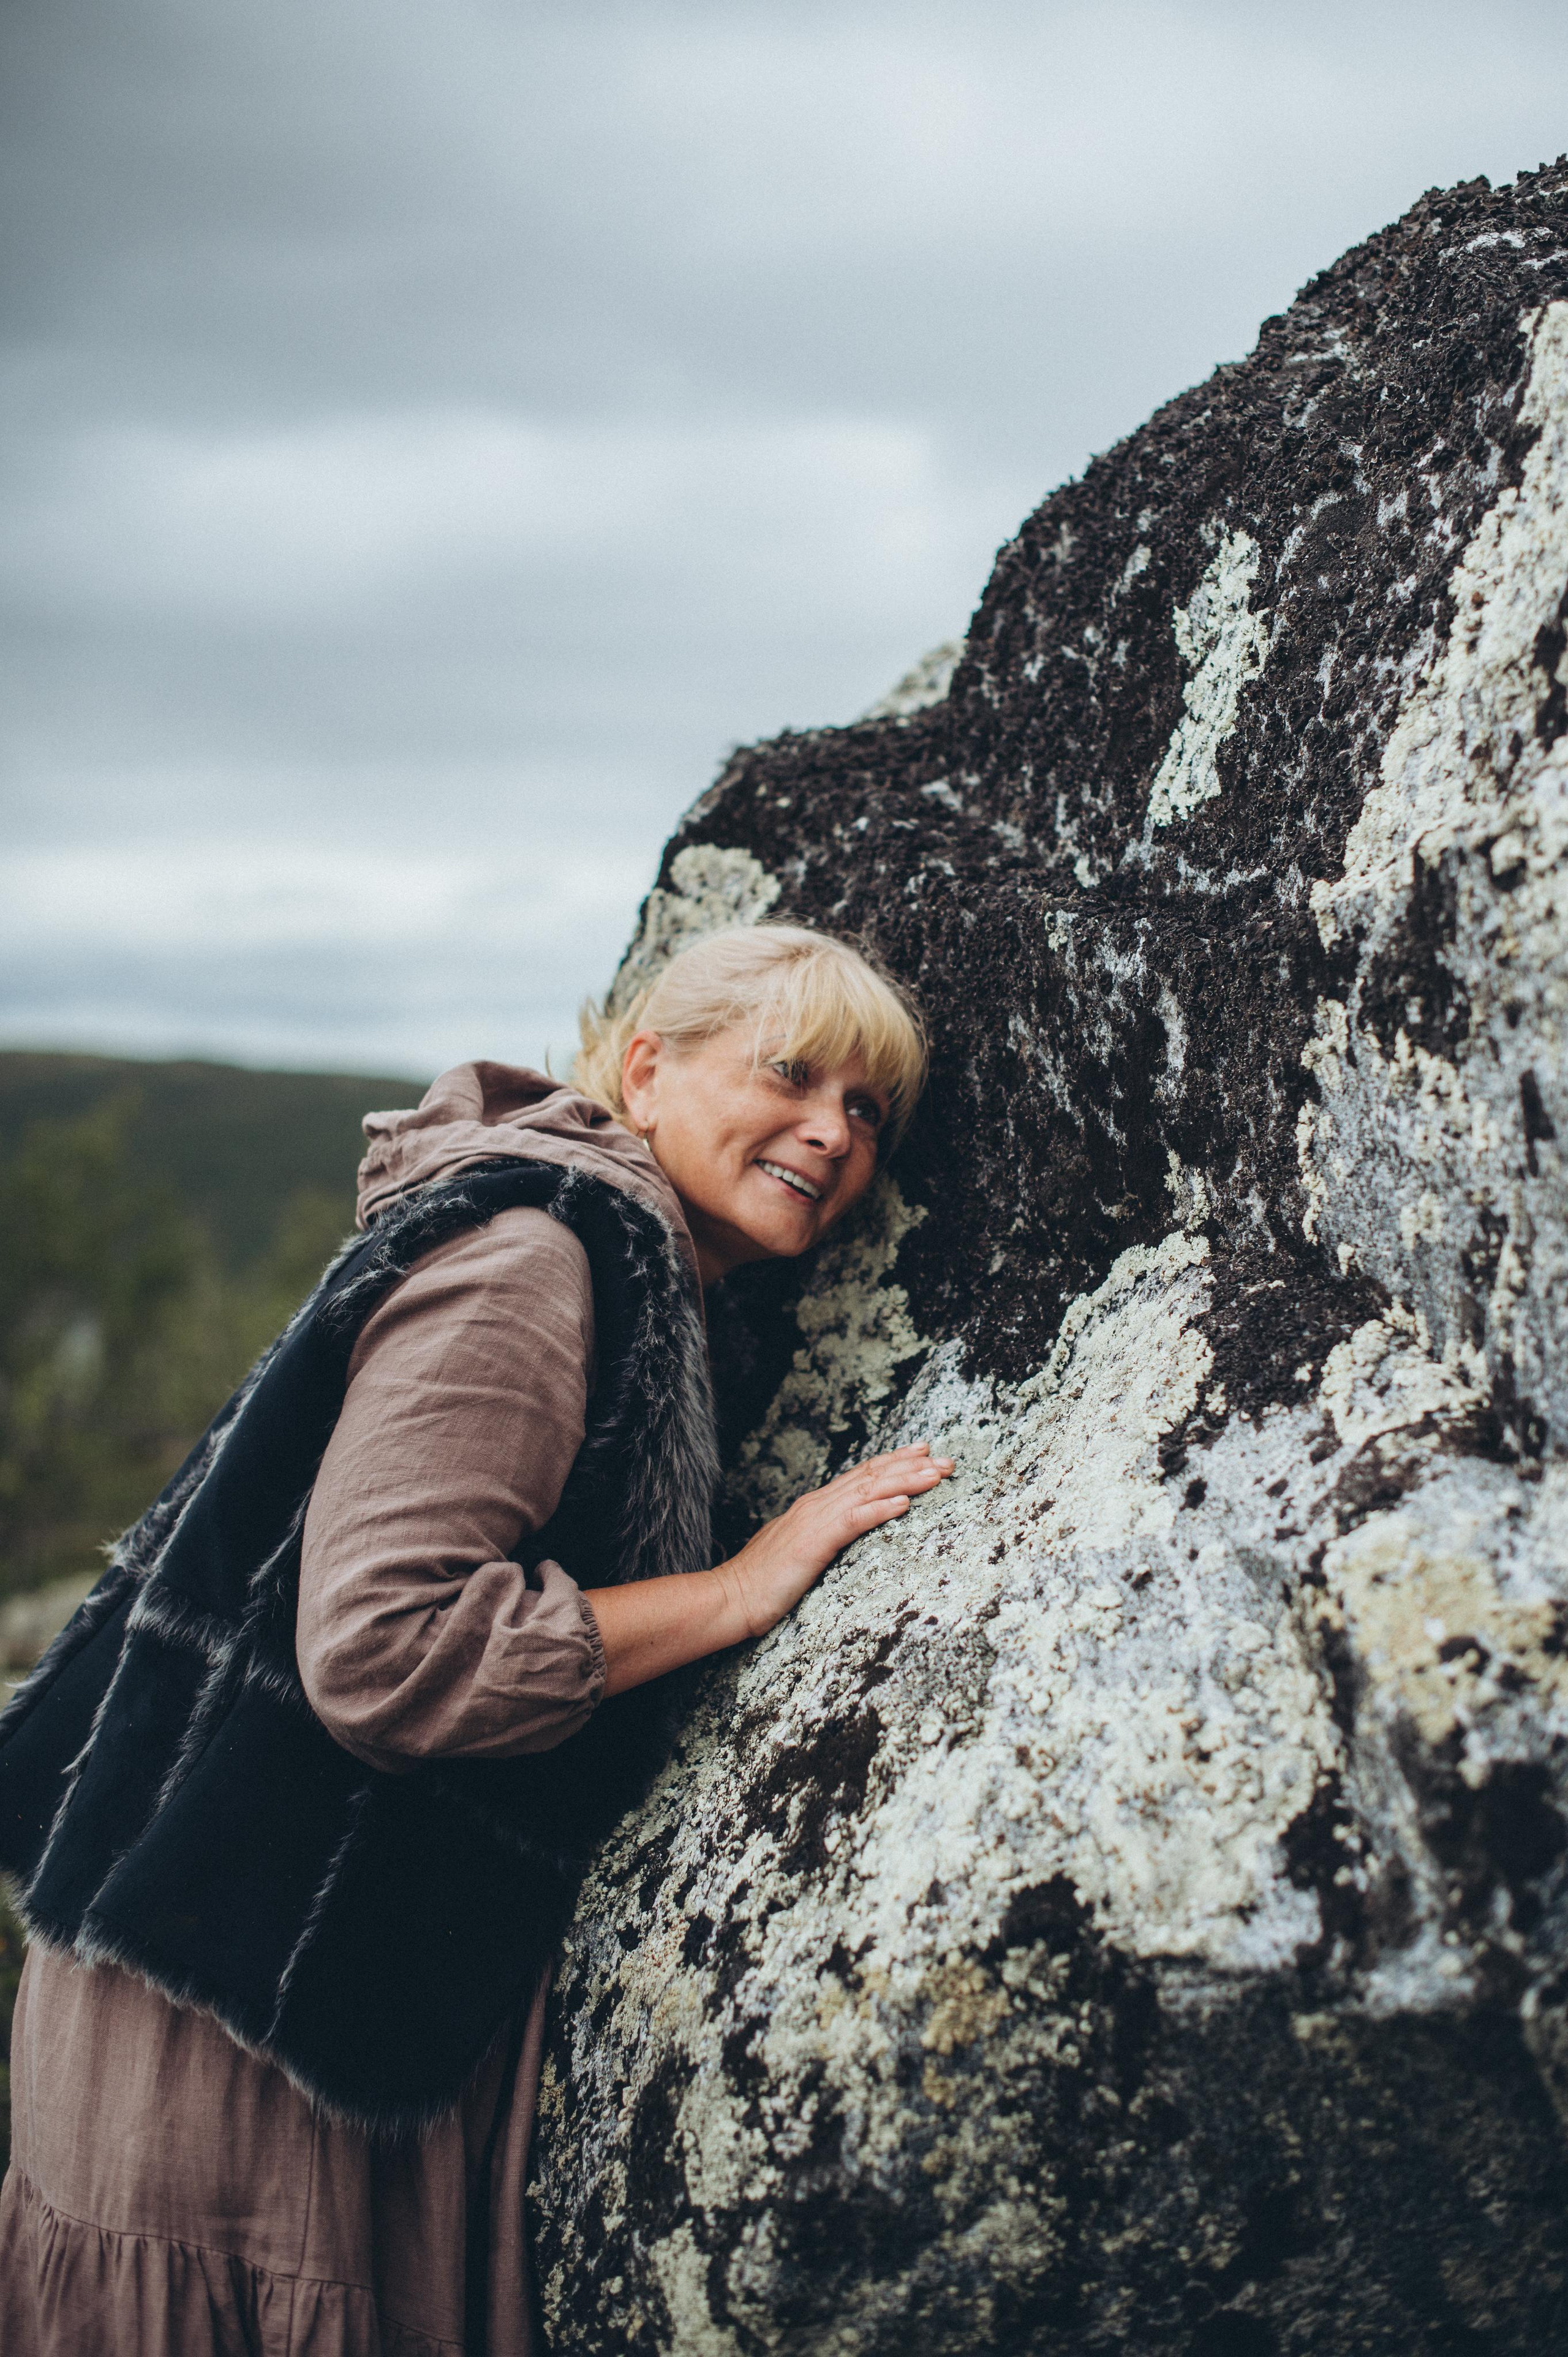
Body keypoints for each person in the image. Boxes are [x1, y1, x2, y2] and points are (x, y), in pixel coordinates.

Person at [0, 921, 953, 2357]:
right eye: (790, 1074)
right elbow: (389, 1648)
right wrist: (740, 1590)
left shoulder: (628, 1272)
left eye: (866, 1109)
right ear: (646, 1070)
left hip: (297, 1962)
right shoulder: (533, 1260)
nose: (832, 1131)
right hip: (240, 2009)